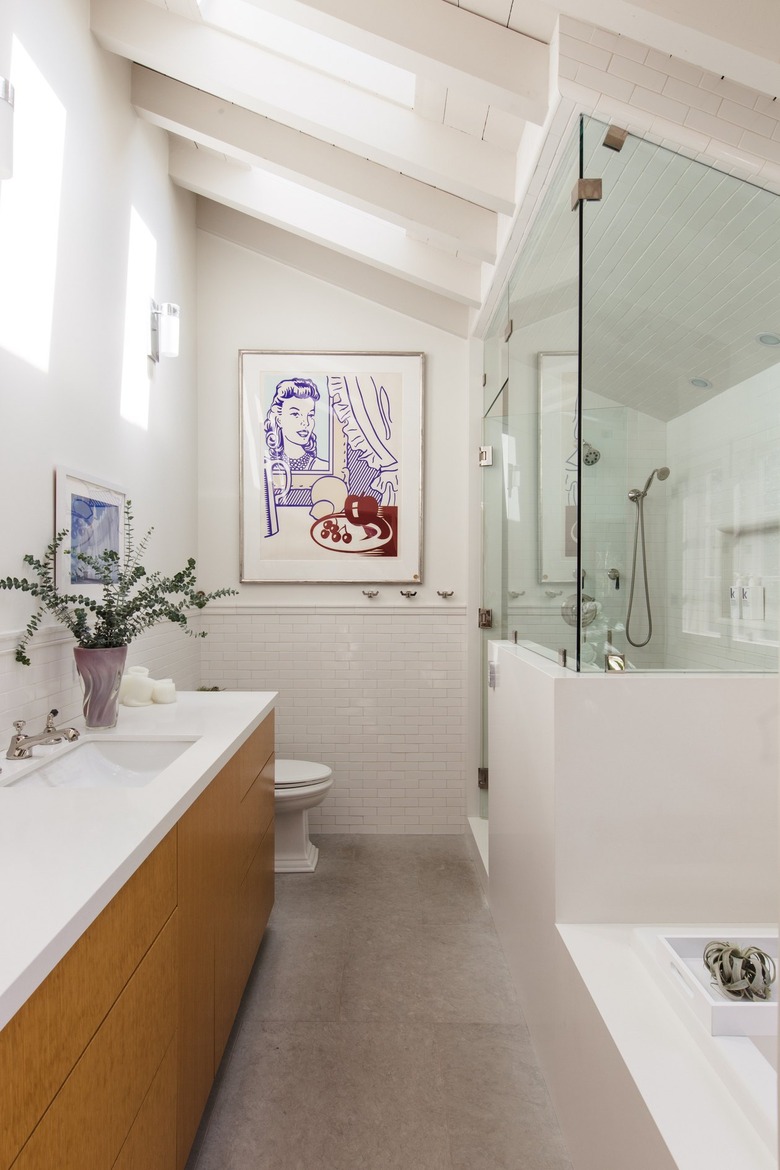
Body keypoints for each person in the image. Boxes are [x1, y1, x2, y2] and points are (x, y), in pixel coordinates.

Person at [263, 377, 329, 475]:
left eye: (310, 415)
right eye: (295, 414)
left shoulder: (323, 467)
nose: (306, 422)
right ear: (279, 419)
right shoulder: (265, 467)